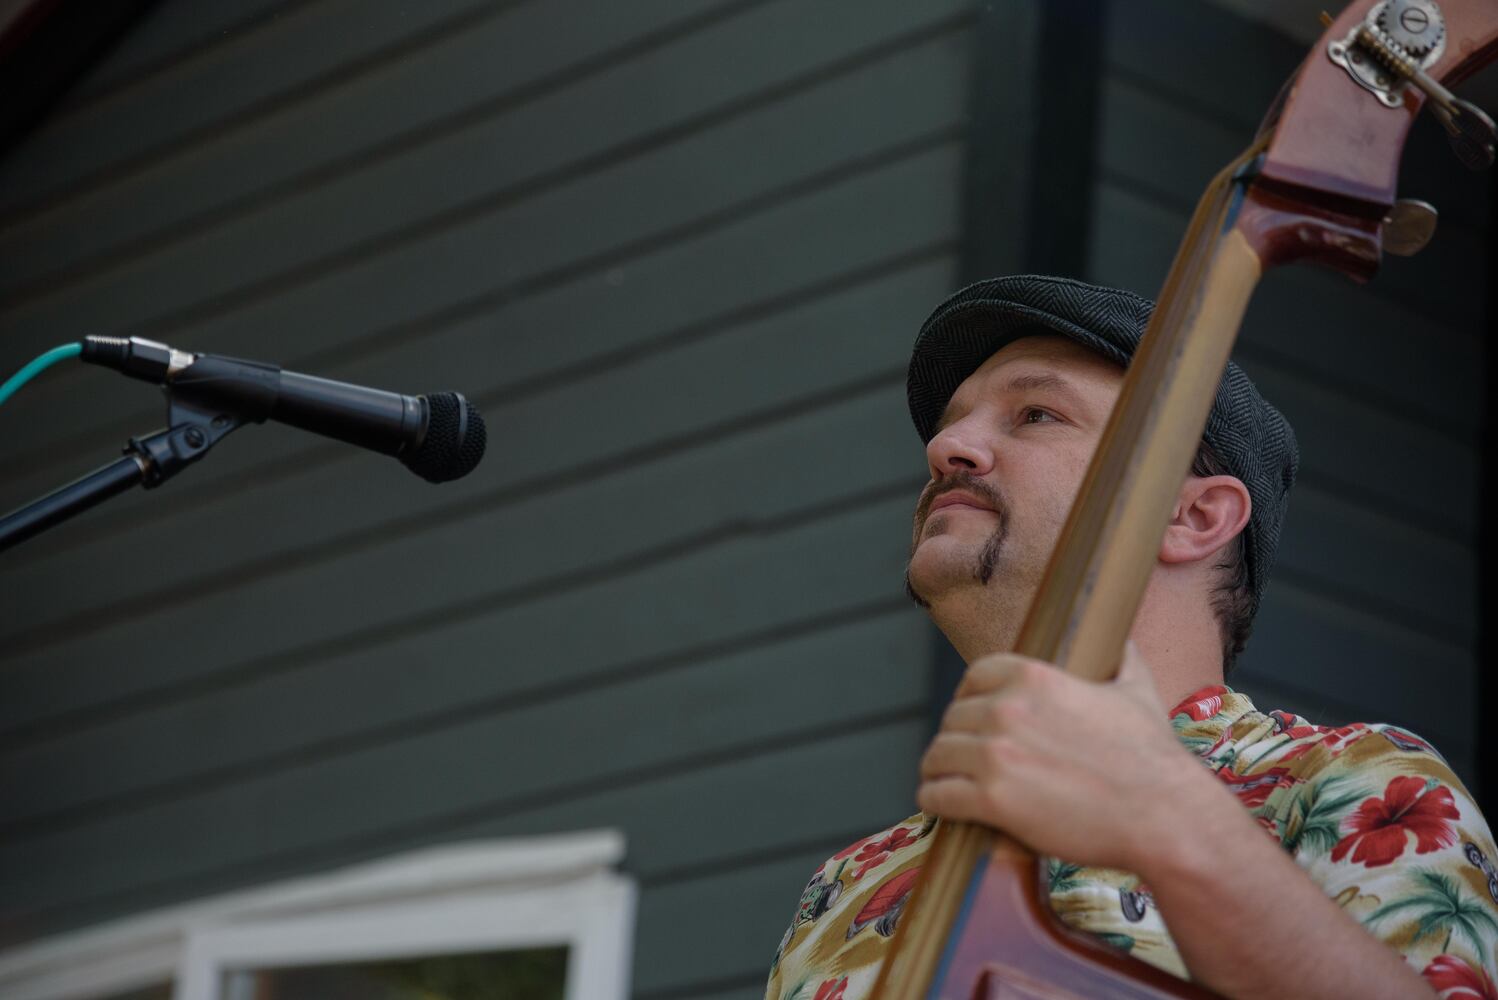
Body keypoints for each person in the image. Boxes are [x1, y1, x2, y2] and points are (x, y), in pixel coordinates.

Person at [763, 276, 1498, 1000]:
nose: (947, 446)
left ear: (1193, 517)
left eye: (1036, 414)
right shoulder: (852, 879)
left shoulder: (1354, 782)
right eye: (952, 421)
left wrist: (1169, 815)